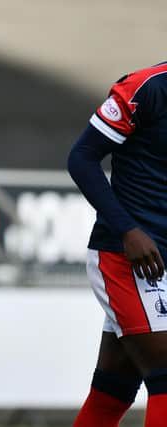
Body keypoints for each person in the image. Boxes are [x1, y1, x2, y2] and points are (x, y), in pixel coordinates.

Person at [67, 61, 167, 427]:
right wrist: (128, 229)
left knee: (113, 391)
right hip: (129, 257)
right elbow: (81, 158)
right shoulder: (146, 88)